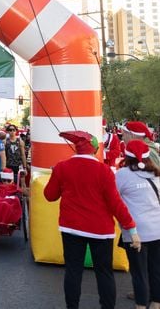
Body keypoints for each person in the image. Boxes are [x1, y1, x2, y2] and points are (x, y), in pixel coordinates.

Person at [44, 130, 140, 309]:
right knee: (104, 273)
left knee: (73, 271)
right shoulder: (104, 171)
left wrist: (55, 175)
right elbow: (115, 204)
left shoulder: (62, 167)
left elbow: (49, 196)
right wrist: (131, 227)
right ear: (95, 150)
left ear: (76, 149)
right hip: (100, 230)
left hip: (71, 228)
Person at [115, 139, 160, 309]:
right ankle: (156, 302)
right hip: (158, 228)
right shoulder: (156, 173)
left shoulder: (122, 175)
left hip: (136, 232)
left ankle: (141, 305)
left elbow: (114, 199)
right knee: (156, 269)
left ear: (126, 155)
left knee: (139, 272)